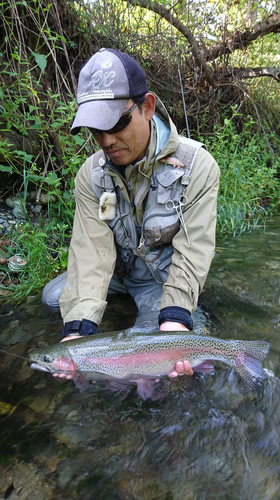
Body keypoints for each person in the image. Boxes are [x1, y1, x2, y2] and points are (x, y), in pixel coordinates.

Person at [42, 48, 220, 379]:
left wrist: (176, 315)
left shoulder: (198, 166)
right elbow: (91, 251)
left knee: (162, 356)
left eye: (117, 123)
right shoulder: (90, 175)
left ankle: (180, 318)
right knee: (55, 300)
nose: (107, 140)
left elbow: (194, 250)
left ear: (147, 107)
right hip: (120, 273)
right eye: (96, 129)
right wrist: (78, 330)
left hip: (160, 280)